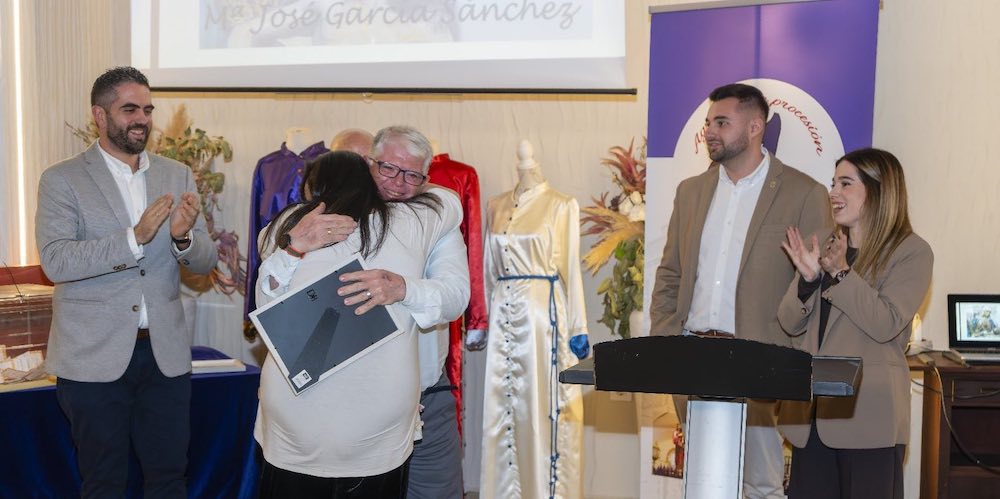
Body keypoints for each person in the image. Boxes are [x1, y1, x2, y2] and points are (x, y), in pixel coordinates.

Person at [35, 66, 218, 497]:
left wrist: (183, 238)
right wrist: (133, 239)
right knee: (104, 483)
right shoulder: (62, 179)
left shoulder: (177, 174)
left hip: (164, 356)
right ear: (99, 115)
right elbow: (56, 261)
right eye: (129, 109)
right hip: (93, 358)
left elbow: (205, 261)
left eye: (148, 110)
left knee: (169, 480)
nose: (142, 119)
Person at [254, 134, 468, 497]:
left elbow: (455, 295)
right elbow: (451, 201)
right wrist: (294, 244)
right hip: (332, 420)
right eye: (387, 169)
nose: (398, 183)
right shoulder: (416, 219)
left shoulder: (289, 223)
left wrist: (403, 288)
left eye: (411, 175)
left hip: (369, 411)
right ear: (367, 167)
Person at [648, 82, 832, 498]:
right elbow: (671, 273)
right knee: (702, 483)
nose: (710, 132)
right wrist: (665, 337)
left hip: (758, 360)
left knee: (761, 485)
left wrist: (788, 356)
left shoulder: (804, 194)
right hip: (691, 355)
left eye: (722, 123)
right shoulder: (690, 192)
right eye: (709, 123)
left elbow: (814, 289)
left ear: (754, 127)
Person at [777, 148, 933, 499]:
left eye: (845, 184)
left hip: (868, 420)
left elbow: (886, 323)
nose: (833, 193)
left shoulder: (911, 252)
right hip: (811, 417)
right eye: (833, 183)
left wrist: (842, 274)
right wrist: (807, 282)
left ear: (878, 191)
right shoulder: (826, 245)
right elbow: (788, 322)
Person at [479, 140, 590, 499]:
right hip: (502, 316)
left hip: (542, 316)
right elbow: (487, 269)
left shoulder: (561, 205)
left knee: (542, 408)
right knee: (504, 408)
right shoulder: (495, 205)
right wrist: (482, 318)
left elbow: (570, 268)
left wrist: (579, 326)